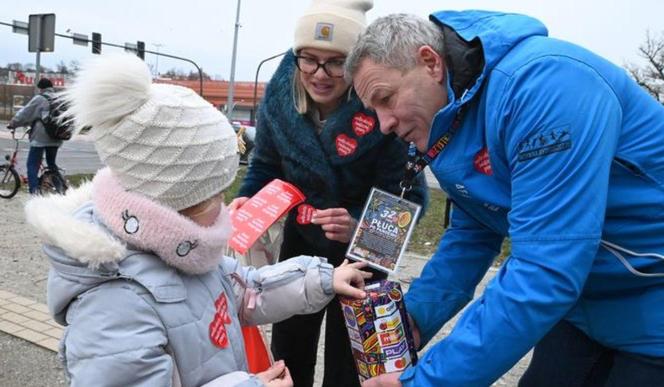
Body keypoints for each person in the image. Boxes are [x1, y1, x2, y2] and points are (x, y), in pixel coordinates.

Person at [345, 11, 664, 387]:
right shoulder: (452, 123)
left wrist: (428, 381)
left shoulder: (545, 88)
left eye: (386, 99)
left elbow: (546, 268)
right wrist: (413, 320)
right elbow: (473, 233)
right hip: (582, 309)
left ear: (430, 62)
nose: (383, 125)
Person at [24, 53, 374, 387]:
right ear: (178, 202)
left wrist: (324, 278)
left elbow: (247, 288)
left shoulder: (185, 252)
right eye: (215, 194)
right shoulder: (116, 305)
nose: (224, 206)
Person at [229, 1, 428, 386]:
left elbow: (405, 195)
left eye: (335, 62)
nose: (319, 74)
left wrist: (356, 226)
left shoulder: (385, 105)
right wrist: (249, 201)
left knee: (350, 363)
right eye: (308, 59)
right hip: (300, 248)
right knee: (289, 353)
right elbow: (266, 163)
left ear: (357, 62)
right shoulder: (281, 97)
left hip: (363, 258)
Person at [7, 78, 62, 194]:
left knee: (32, 164)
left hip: (40, 138)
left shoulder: (40, 99)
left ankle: (34, 193)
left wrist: (12, 124)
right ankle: (61, 188)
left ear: (40, 88)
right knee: (51, 163)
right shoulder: (58, 98)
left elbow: (25, 113)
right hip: (57, 137)